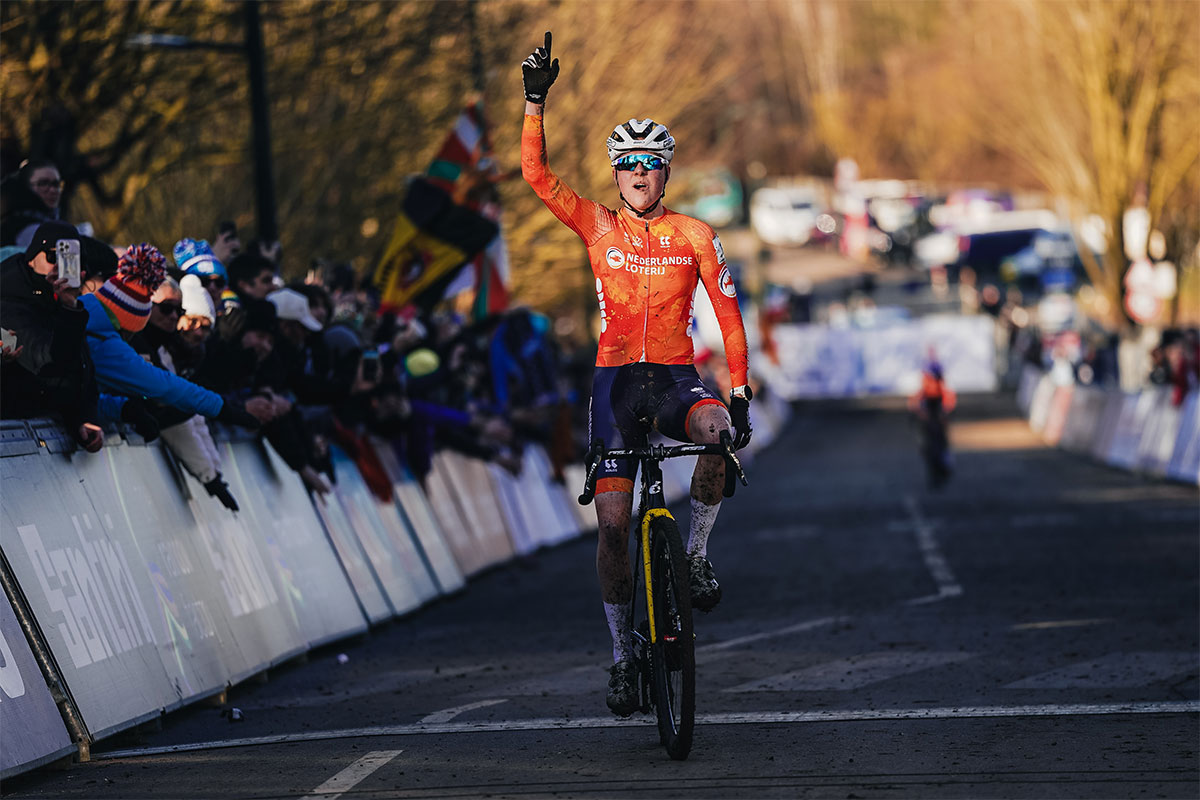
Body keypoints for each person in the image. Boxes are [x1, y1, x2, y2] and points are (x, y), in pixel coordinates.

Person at [520, 31, 753, 717]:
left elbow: (729, 314)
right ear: (616, 172)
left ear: (666, 172)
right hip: (617, 387)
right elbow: (536, 177)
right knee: (614, 527)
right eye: (627, 164)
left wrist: (738, 390)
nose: (638, 175)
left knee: (717, 434)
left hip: (677, 379)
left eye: (650, 164)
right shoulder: (595, 225)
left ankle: (699, 552)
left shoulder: (694, 235)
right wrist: (535, 103)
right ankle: (623, 657)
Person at [0, 222, 110, 451]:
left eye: (70, 259)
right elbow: (47, 362)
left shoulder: (58, 300)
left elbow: (79, 369)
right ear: (32, 257)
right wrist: (69, 311)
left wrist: (81, 418)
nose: (60, 266)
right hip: (17, 447)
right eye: (54, 256)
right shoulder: (10, 298)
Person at [908, 359, 956, 488]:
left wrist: (944, 414)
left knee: (938, 448)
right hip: (929, 425)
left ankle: (941, 471)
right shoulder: (925, 392)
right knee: (929, 449)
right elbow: (915, 403)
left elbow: (948, 402)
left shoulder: (939, 391)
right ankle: (937, 474)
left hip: (936, 425)